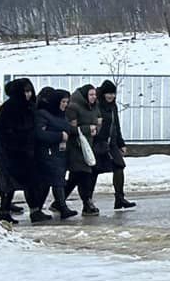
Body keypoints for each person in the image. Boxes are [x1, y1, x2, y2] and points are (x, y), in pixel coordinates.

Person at [35, 87, 79, 221]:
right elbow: (40, 134)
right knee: (55, 180)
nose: (65, 105)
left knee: (57, 180)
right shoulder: (43, 114)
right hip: (49, 152)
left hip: (61, 153)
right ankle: (59, 206)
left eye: (67, 102)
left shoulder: (61, 115)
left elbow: (67, 128)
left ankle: (53, 206)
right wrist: (59, 136)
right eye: (63, 102)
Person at [0, 78, 38, 221]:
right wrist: (14, 144)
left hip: (28, 150)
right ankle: (4, 211)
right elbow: (2, 130)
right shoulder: (9, 107)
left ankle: (35, 210)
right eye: (25, 91)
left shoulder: (30, 106)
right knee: (10, 183)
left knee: (30, 182)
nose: (28, 94)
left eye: (30, 91)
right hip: (12, 152)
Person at [66, 83, 105, 215]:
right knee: (85, 174)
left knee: (76, 176)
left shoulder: (95, 106)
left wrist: (96, 130)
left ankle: (60, 201)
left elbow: (99, 121)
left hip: (89, 145)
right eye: (91, 94)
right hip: (76, 146)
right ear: (84, 95)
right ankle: (87, 203)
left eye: (95, 94)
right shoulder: (73, 107)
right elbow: (71, 128)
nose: (94, 97)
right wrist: (87, 129)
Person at [96, 81, 136, 209]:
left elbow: (116, 126)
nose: (111, 96)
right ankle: (86, 201)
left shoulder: (113, 107)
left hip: (111, 143)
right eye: (108, 93)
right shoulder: (97, 105)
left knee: (119, 166)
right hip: (98, 143)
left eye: (113, 93)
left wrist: (120, 143)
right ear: (103, 93)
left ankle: (120, 198)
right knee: (91, 172)